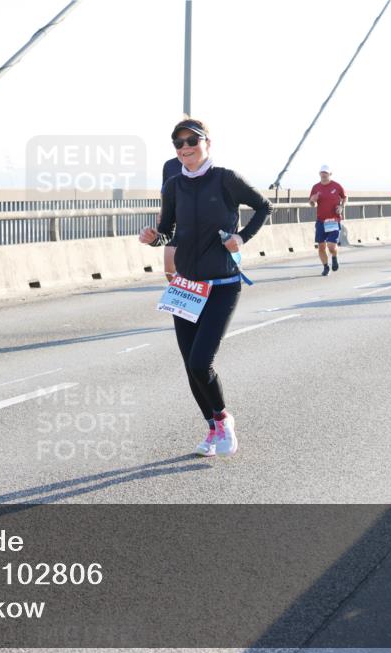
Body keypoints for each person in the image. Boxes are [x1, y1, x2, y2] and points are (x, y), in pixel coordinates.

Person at [139, 119, 272, 458]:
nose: (185, 148)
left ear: (206, 143)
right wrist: (156, 239)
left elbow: (263, 206)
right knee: (190, 365)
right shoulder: (173, 185)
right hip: (185, 286)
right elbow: (169, 231)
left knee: (201, 362)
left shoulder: (225, 179)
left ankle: (224, 419)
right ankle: (212, 428)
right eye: (178, 143)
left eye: (191, 141)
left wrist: (242, 237)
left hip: (223, 285)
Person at [309, 165, 347, 276]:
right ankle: (326, 267)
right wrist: (312, 200)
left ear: (330, 174)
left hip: (333, 220)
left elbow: (345, 197)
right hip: (321, 221)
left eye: (326, 172)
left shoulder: (336, 185)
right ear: (319, 174)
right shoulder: (315, 187)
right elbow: (312, 204)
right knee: (321, 247)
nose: (324, 174)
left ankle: (334, 257)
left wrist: (342, 206)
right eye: (322, 172)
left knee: (331, 246)